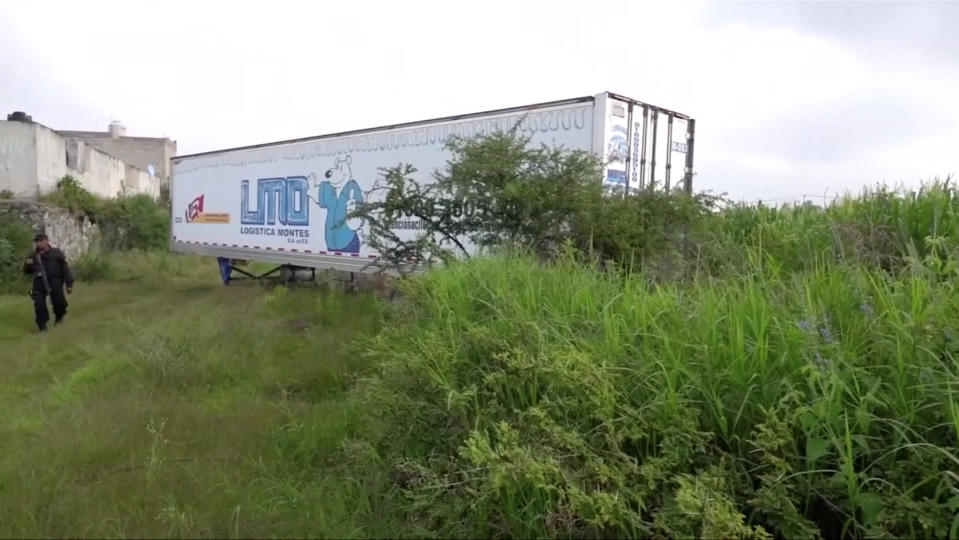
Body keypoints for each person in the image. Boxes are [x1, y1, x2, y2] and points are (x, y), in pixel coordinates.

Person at [22, 233, 74, 331]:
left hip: (55, 281)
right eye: (37, 241)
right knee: (39, 305)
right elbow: (26, 271)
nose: (39, 243)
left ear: (46, 241)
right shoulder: (33, 255)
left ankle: (59, 319)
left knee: (60, 303)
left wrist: (69, 284)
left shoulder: (56, 253)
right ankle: (42, 327)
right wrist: (28, 264)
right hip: (39, 283)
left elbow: (65, 268)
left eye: (41, 241)